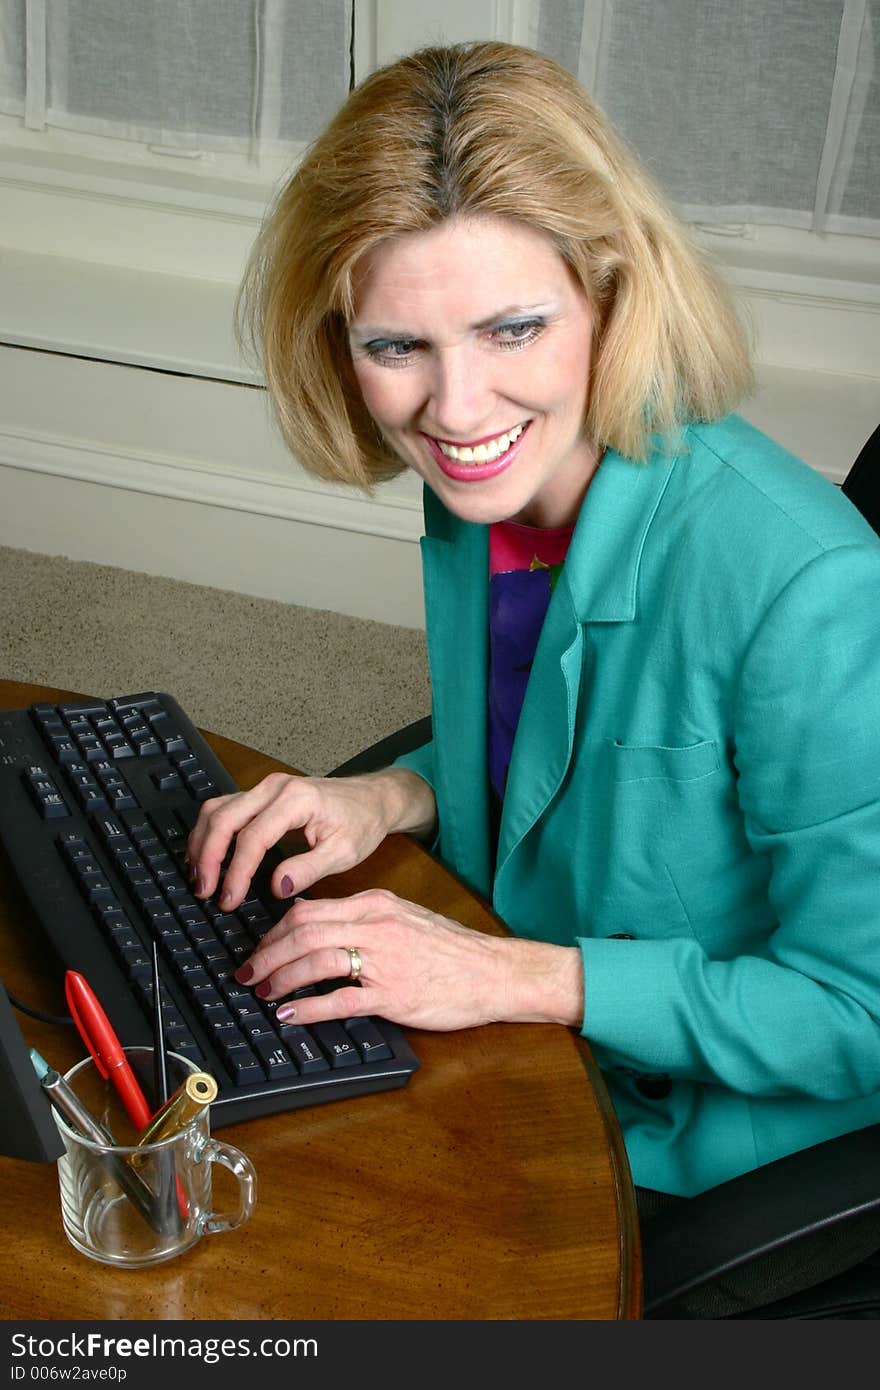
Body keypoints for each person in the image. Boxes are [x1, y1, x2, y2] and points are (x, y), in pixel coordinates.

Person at [185, 41, 880, 1311]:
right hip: (519, 1020)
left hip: (692, 1132)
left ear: (610, 297)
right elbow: (554, 740)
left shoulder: (807, 585)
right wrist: (389, 798)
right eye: (397, 343)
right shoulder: (483, 497)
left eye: (513, 328)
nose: (455, 408)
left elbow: (859, 1010)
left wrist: (509, 976)